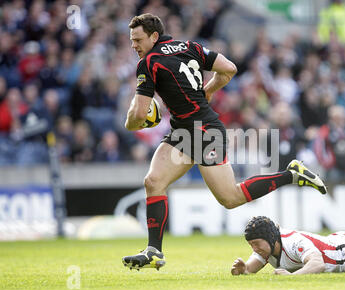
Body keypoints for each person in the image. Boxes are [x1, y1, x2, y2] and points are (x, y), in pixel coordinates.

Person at [121, 13, 327, 271]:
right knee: (153, 182)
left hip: (204, 131)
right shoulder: (191, 46)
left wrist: (129, 123)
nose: (134, 45)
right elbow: (229, 68)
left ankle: (291, 174)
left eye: (138, 39)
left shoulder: (149, 62)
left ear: (153, 36)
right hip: (186, 130)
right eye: (131, 41)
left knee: (231, 198)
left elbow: (139, 115)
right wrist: (206, 92)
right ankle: (154, 251)